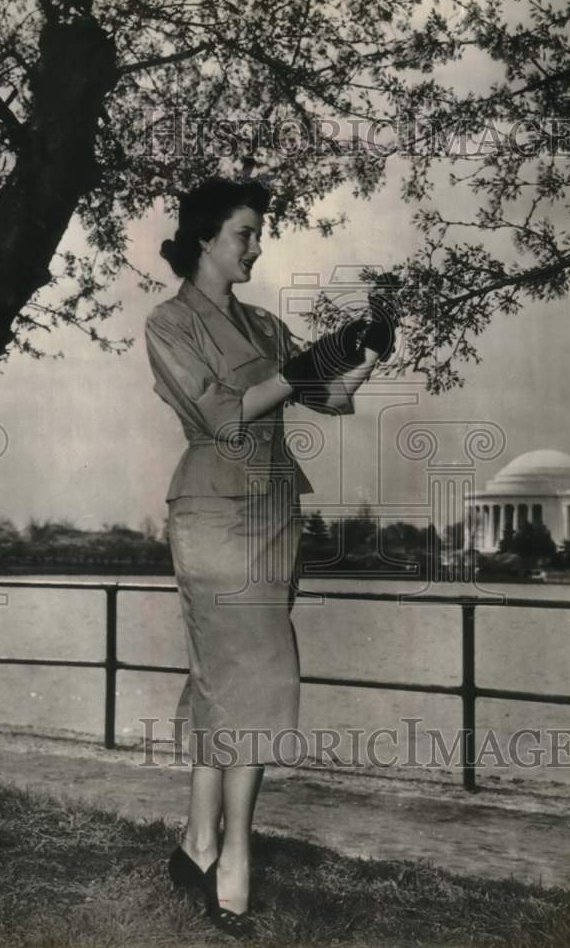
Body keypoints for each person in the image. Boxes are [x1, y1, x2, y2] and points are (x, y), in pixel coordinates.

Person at [144, 177, 396, 938]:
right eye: (245, 233)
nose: (257, 246)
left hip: (273, 511)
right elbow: (221, 414)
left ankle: (195, 844)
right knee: (259, 674)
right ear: (204, 240)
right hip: (215, 510)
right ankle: (232, 862)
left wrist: (366, 352)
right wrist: (302, 365)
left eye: (258, 234)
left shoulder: (259, 322)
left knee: (227, 677)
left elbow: (331, 398)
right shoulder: (169, 322)